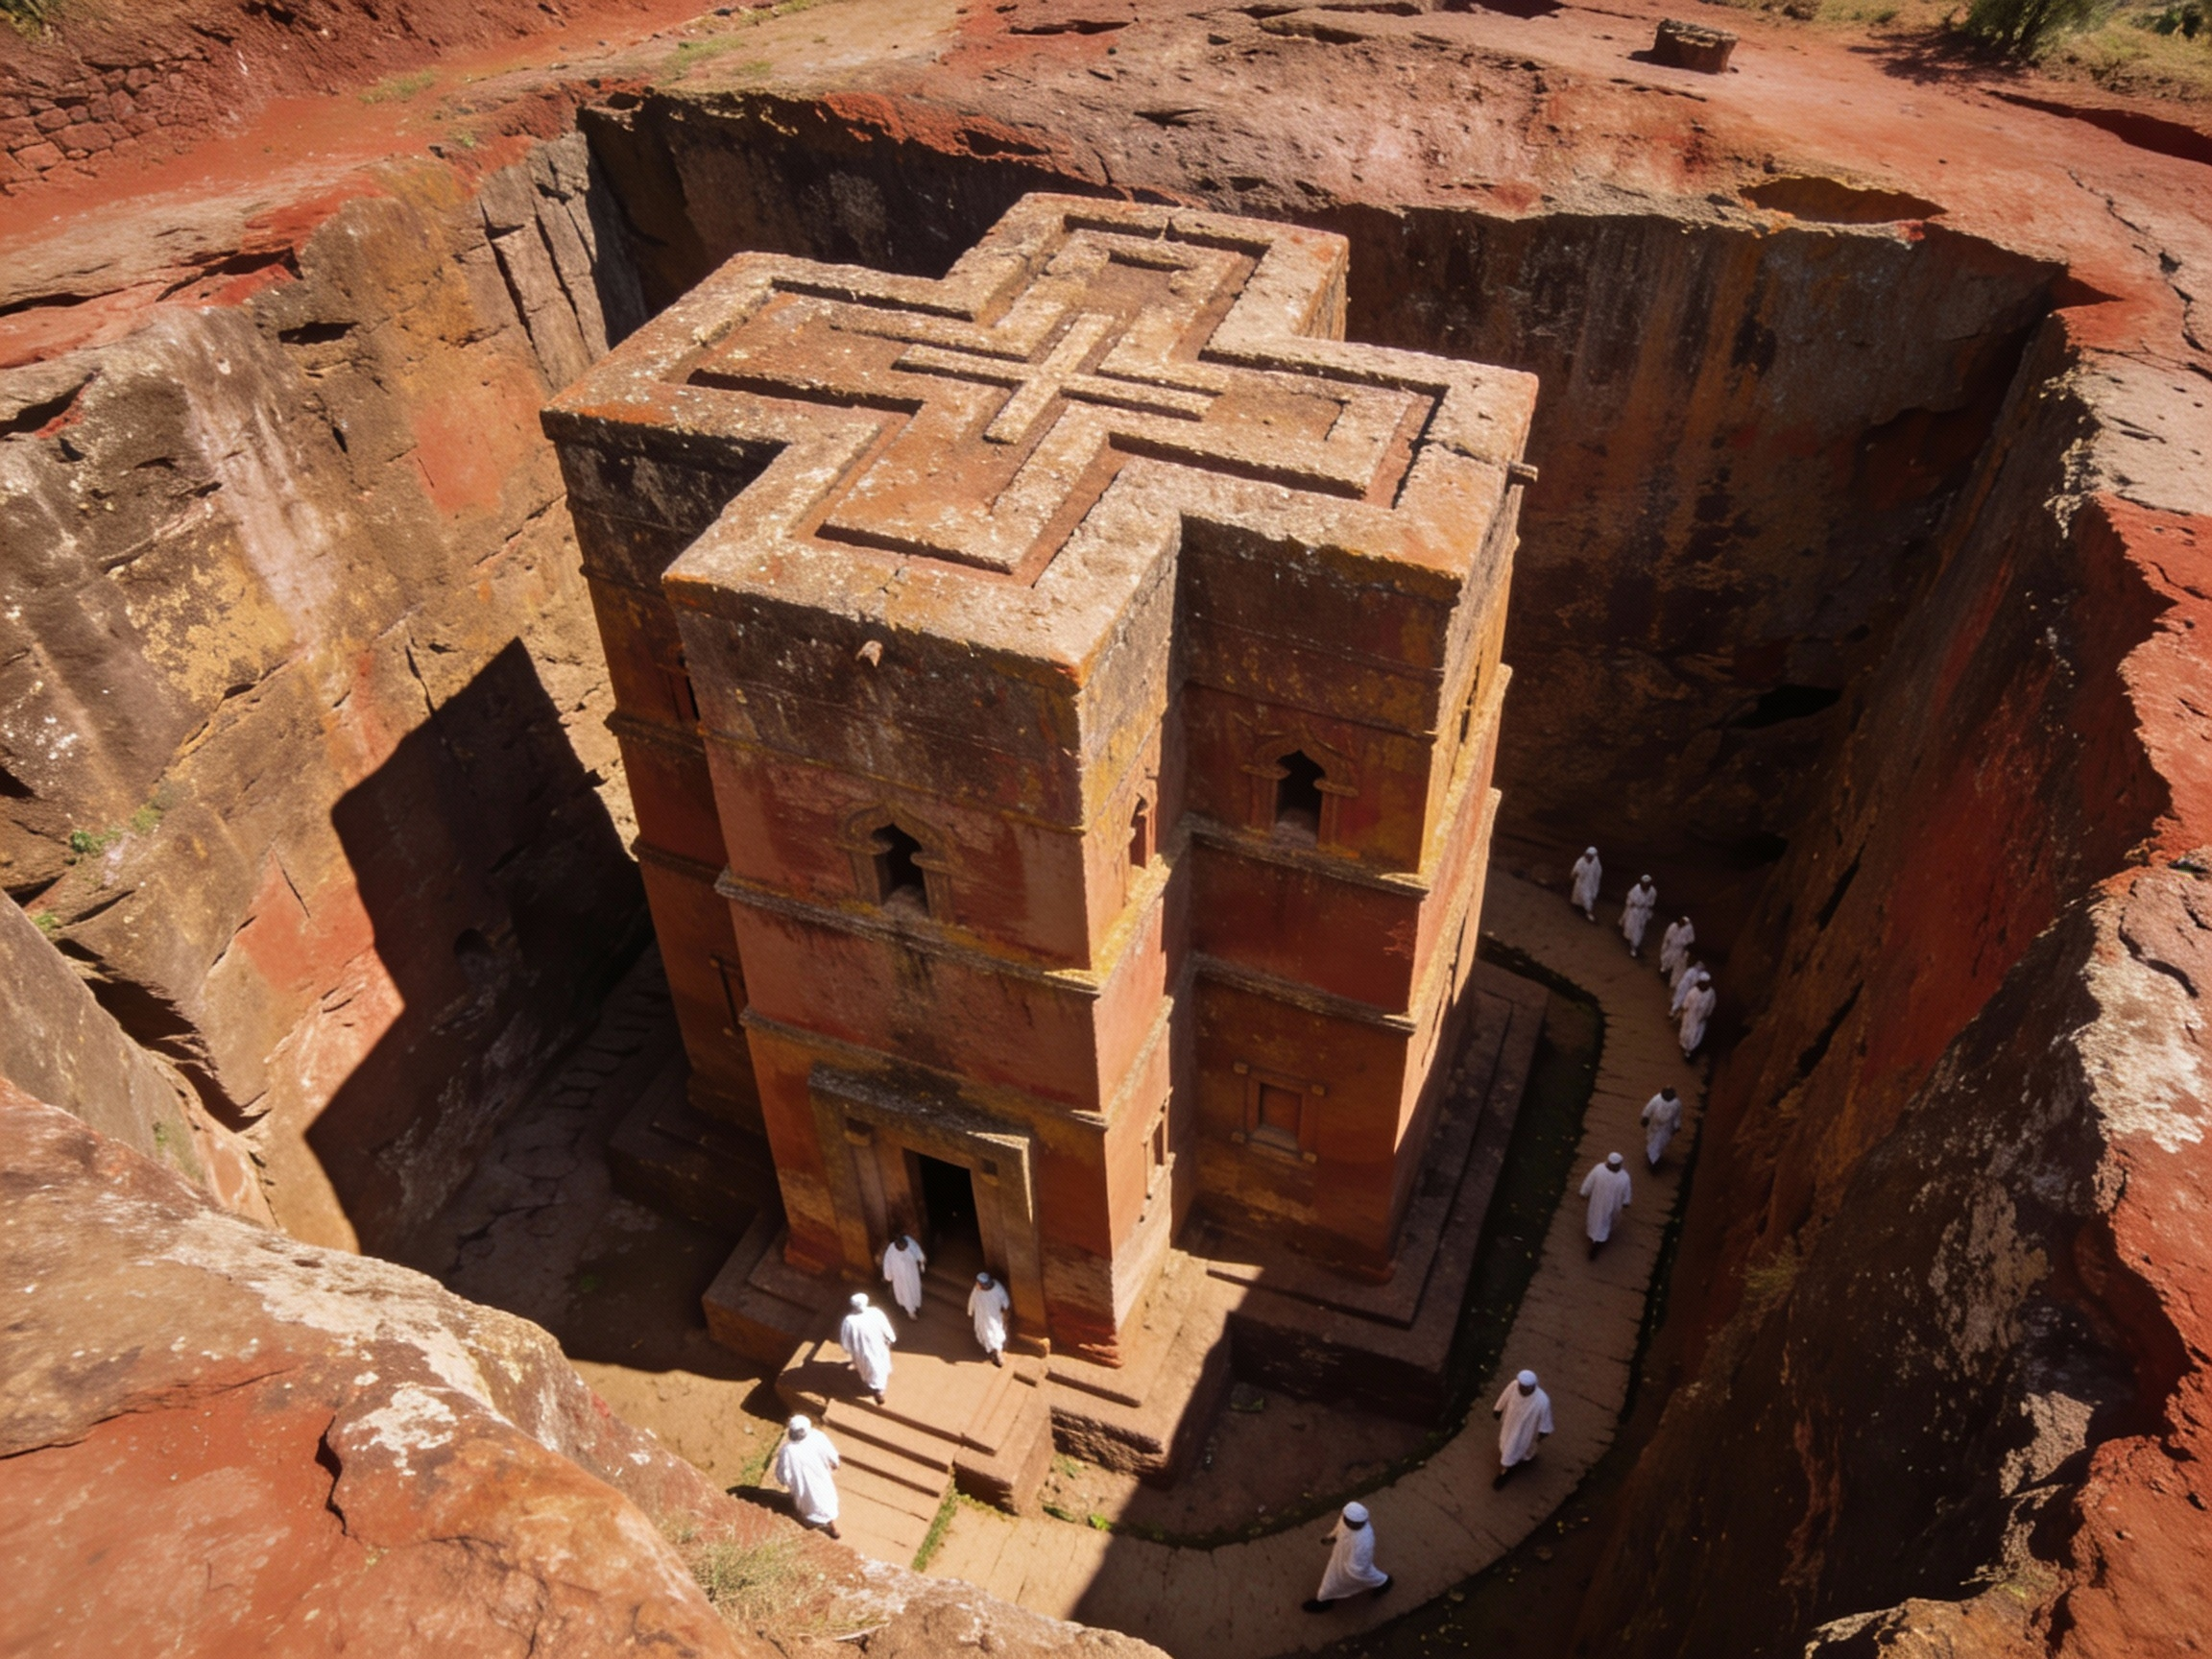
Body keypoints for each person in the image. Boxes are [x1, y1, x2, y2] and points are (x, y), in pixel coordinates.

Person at [1302, 1501, 1393, 1612]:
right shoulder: (1346, 1520)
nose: (1349, 1524)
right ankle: (1383, 1582)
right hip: (1340, 1556)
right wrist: (1331, 1537)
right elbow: (1339, 1528)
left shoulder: (1364, 1540)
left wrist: (1348, 1572)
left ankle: (1324, 1601)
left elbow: (1361, 1567)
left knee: (1334, 1581)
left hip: (1350, 1567)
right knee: (1334, 1579)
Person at [774, 1415, 842, 1539]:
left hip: (803, 1488)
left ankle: (812, 1530)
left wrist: (790, 1483)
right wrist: (835, 1464)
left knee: (807, 1508)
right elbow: (833, 1457)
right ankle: (833, 1529)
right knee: (827, 1505)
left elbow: (782, 1476)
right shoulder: (817, 1437)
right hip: (823, 1481)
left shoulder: (787, 1450)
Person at [1493, 1370, 1553, 1487]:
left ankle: (1506, 1471)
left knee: (1514, 1447)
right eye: (1521, 1386)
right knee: (1507, 1443)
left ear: (1533, 1386)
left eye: (1526, 1387)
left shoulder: (1542, 1400)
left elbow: (1545, 1422)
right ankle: (1510, 1463)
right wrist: (1498, 1409)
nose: (1522, 1389)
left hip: (1526, 1430)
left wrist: (1542, 1434)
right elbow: (1504, 1396)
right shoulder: (1514, 1385)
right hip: (1510, 1423)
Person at [838, 1290, 898, 1405]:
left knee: (870, 1368)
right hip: (878, 1347)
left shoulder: (849, 1321)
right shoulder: (875, 1313)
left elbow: (845, 1338)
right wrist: (891, 1338)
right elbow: (886, 1326)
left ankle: (878, 1389)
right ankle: (879, 1389)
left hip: (861, 1351)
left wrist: (848, 1349)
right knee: (878, 1366)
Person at [1579, 1151, 1632, 1259]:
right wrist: (1626, 1202)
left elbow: (1589, 1181)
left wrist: (1584, 1192)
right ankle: (1596, 1244)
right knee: (1603, 1223)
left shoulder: (1602, 1170)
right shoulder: (1621, 1176)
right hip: (1603, 1203)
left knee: (1598, 1220)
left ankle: (1595, 1239)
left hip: (1604, 1204)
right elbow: (1590, 1180)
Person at [968, 1270, 1012, 1367]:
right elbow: (973, 1299)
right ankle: (992, 1351)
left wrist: (1005, 1311)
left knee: (994, 1335)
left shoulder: (998, 1290)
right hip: (981, 1316)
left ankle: (997, 1355)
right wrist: (970, 1311)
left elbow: (1006, 1302)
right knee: (983, 1333)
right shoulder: (977, 1289)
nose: (977, 1285)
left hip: (993, 1318)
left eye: (978, 1283)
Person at [881, 1233, 927, 1321]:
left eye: (905, 1248)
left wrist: (921, 1259)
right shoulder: (891, 1250)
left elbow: (917, 1251)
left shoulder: (910, 1243)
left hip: (912, 1274)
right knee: (905, 1293)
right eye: (902, 1249)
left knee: (913, 1290)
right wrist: (888, 1275)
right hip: (899, 1277)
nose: (904, 1250)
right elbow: (887, 1263)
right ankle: (910, 1311)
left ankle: (914, 1306)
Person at [1641, 1087, 1684, 1168]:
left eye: (1670, 1094)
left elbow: (1677, 1116)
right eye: (1666, 1093)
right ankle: (1652, 1159)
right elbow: (1648, 1109)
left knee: (1660, 1143)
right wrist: (1645, 1118)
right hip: (1654, 1124)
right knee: (1652, 1140)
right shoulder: (1656, 1099)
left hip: (1666, 1127)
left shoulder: (1677, 1103)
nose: (1668, 1095)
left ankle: (1653, 1161)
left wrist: (1676, 1126)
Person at [1679, 977, 1718, 1058]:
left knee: (1697, 1035)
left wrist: (1707, 1014)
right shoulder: (1693, 992)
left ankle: (1690, 1051)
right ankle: (1685, 1046)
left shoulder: (1711, 993)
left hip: (1701, 1019)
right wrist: (1684, 1008)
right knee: (1687, 1032)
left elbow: (1712, 1004)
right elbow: (1686, 1003)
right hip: (1691, 1016)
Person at [1621, 875, 1657, 956]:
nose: (1644, 885)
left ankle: (1634, 947)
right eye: (1643, 883)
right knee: (1629, 927)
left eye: (1647, 884)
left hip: (1643, 913)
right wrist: (1631, 904)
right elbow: (1630, 898)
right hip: (1634, 911)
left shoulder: (1652, 891)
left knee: (1638, 930)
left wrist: (1647, 908)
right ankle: (1630, 940)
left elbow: (1652, 902)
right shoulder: (1636, 889)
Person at [1569, 847, 1602, 922]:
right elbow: (1576, 869)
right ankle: (1583, 909)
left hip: (1590, 884)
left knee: (1587, 897)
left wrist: (1594, 885)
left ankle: (1587, 911)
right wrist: (1574, 874)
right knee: (1579, 895)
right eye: (1587, 855)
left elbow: (1597, 876)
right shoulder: (1581, 861)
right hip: (1581, 882)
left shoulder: (1596, 865)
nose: (1588, 857)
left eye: (1590, 856)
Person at [1658, 915, 1695, 982]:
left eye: (1683, 923)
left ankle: (1668, 971)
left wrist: (1684, 942)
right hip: (1670, 946)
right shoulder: (1673, 926)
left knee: (1674, 960)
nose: (1681, 924)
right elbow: (1668, 935)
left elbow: (1691, 939)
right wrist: (1667, 943)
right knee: (1666, 957)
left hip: (1679, 948)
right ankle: (1663, 968)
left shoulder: (1689, 929)